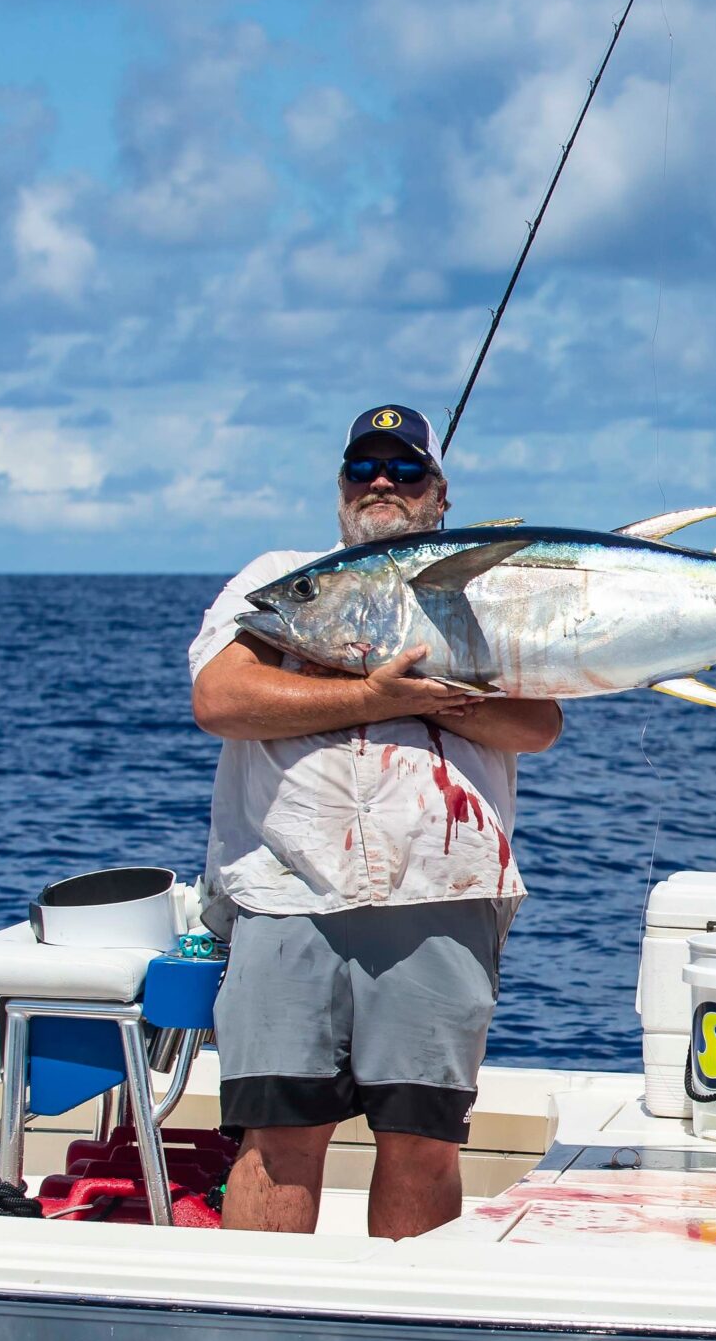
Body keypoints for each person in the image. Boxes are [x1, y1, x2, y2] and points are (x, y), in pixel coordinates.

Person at [189, 404, 562, 1240]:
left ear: (440, 494)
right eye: (364, 470)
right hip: (285, 892)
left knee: (423, 1140)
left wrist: (432, 696)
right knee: (278, 1137)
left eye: (405, 470)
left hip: (442, 890)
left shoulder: (478, 591)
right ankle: (260, 1335)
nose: (382, 484)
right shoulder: (287, 578)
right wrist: (369, 697)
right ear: (340, 489)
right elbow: (220, 697)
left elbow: (537, 725)